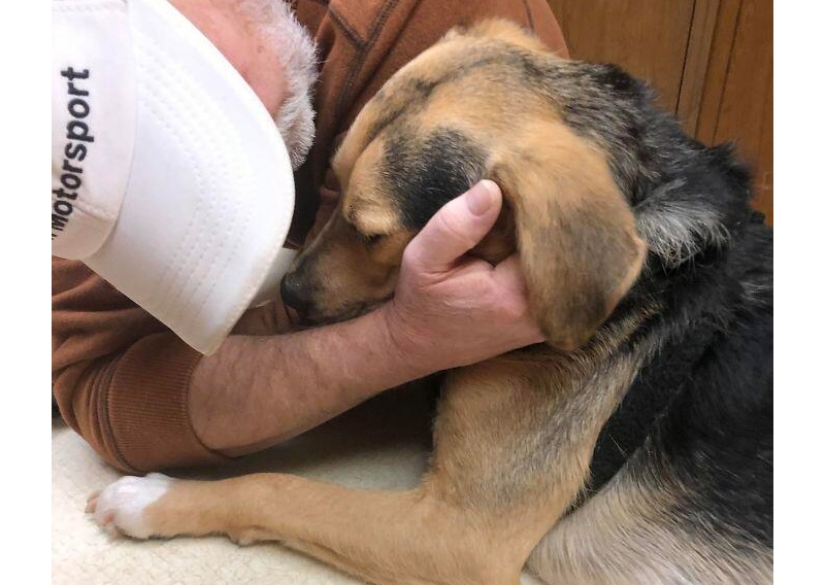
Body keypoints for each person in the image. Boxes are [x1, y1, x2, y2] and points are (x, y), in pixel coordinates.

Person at [52, 0, 569, 472]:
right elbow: (100, 384)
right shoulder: (59, 146)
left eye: (184, 113)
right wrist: (396, 343)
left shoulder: (435, 34)